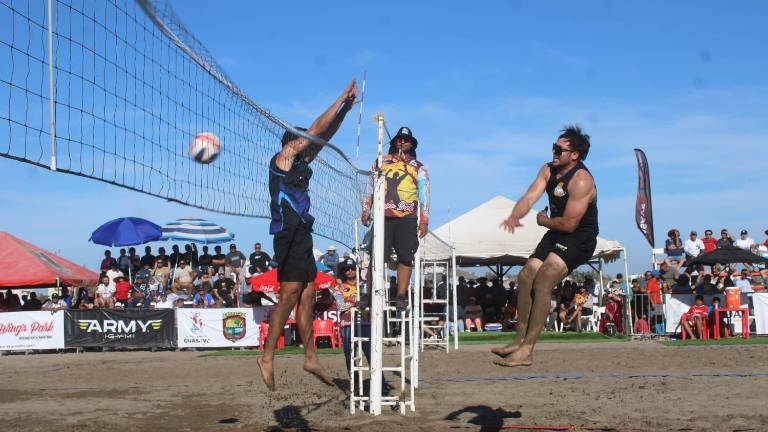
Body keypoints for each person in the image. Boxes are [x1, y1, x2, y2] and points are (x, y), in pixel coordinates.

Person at [257, 79, 357, 391]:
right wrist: (339, 95)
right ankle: (268, 356)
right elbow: (316, 129)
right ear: (293, 142)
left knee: (308, 293)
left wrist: (345, 110)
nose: (309, 146)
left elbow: (324, 136)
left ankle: (310, 356)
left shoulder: (302, 160)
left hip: (302, 233)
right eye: (304, 142)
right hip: (287, 233)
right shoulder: (283, 157)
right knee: (289, 293)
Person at [493, 126, 598, 367]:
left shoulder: (581, 180)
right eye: (554, 147)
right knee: (526, 275)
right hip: (556, 230)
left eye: (559, 149)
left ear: (575, 155)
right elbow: (530, 197)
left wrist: (543, 221)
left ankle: (528, 351)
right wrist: (514, 216)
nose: (554, 152)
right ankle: (518, 341)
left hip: (579, 236)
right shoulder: (548, 170)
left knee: (544, 279)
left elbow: (571, 224)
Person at [361, 125, 430, 311]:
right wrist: (366, 209)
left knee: (405, 256)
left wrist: (424, 220)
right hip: (382, 215)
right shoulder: (381, 161)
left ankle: (400, 295)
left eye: (406, 140)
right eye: (399, 139)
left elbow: (425, 195)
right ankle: (368, 293)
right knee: (375, 256)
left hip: (407, 217)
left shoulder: (419, 167)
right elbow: (369, 185)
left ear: (411, 144)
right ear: (394, 142)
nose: (402, 141)